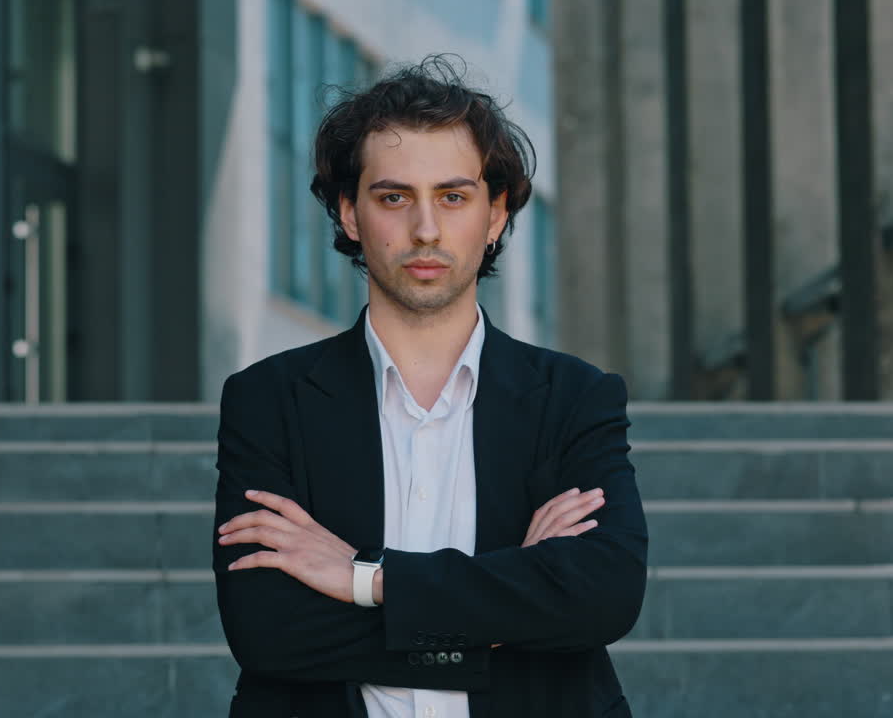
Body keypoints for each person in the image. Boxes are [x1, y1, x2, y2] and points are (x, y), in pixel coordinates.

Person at [212, 55, 648, 718]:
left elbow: (603, 595)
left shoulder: (574, 398)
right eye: (394, 197)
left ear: (495, 215)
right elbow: (269, 629)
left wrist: (366, 580)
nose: (426, 230)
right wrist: (514, 604)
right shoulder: (269, 401)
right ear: (349, 214)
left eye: (453, 196)